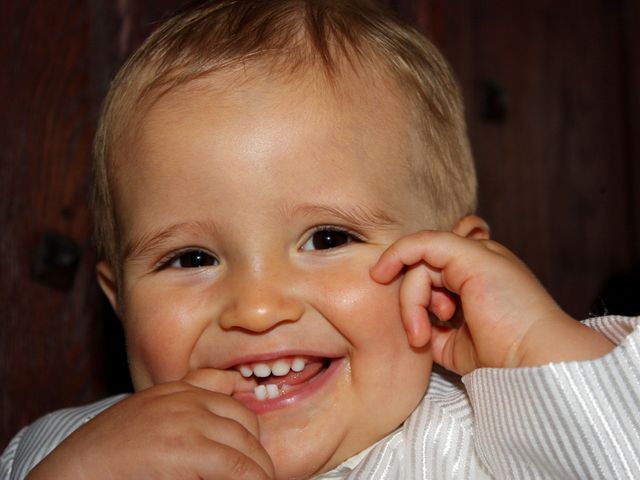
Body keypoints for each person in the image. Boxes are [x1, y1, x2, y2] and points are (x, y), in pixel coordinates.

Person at [2, 1, 639, 478]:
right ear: (120, 299)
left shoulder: (482, 448)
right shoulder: (66, 453)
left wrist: (536, 347)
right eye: (191, 257)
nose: (256, 307)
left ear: (449, 275)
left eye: (327, 238)